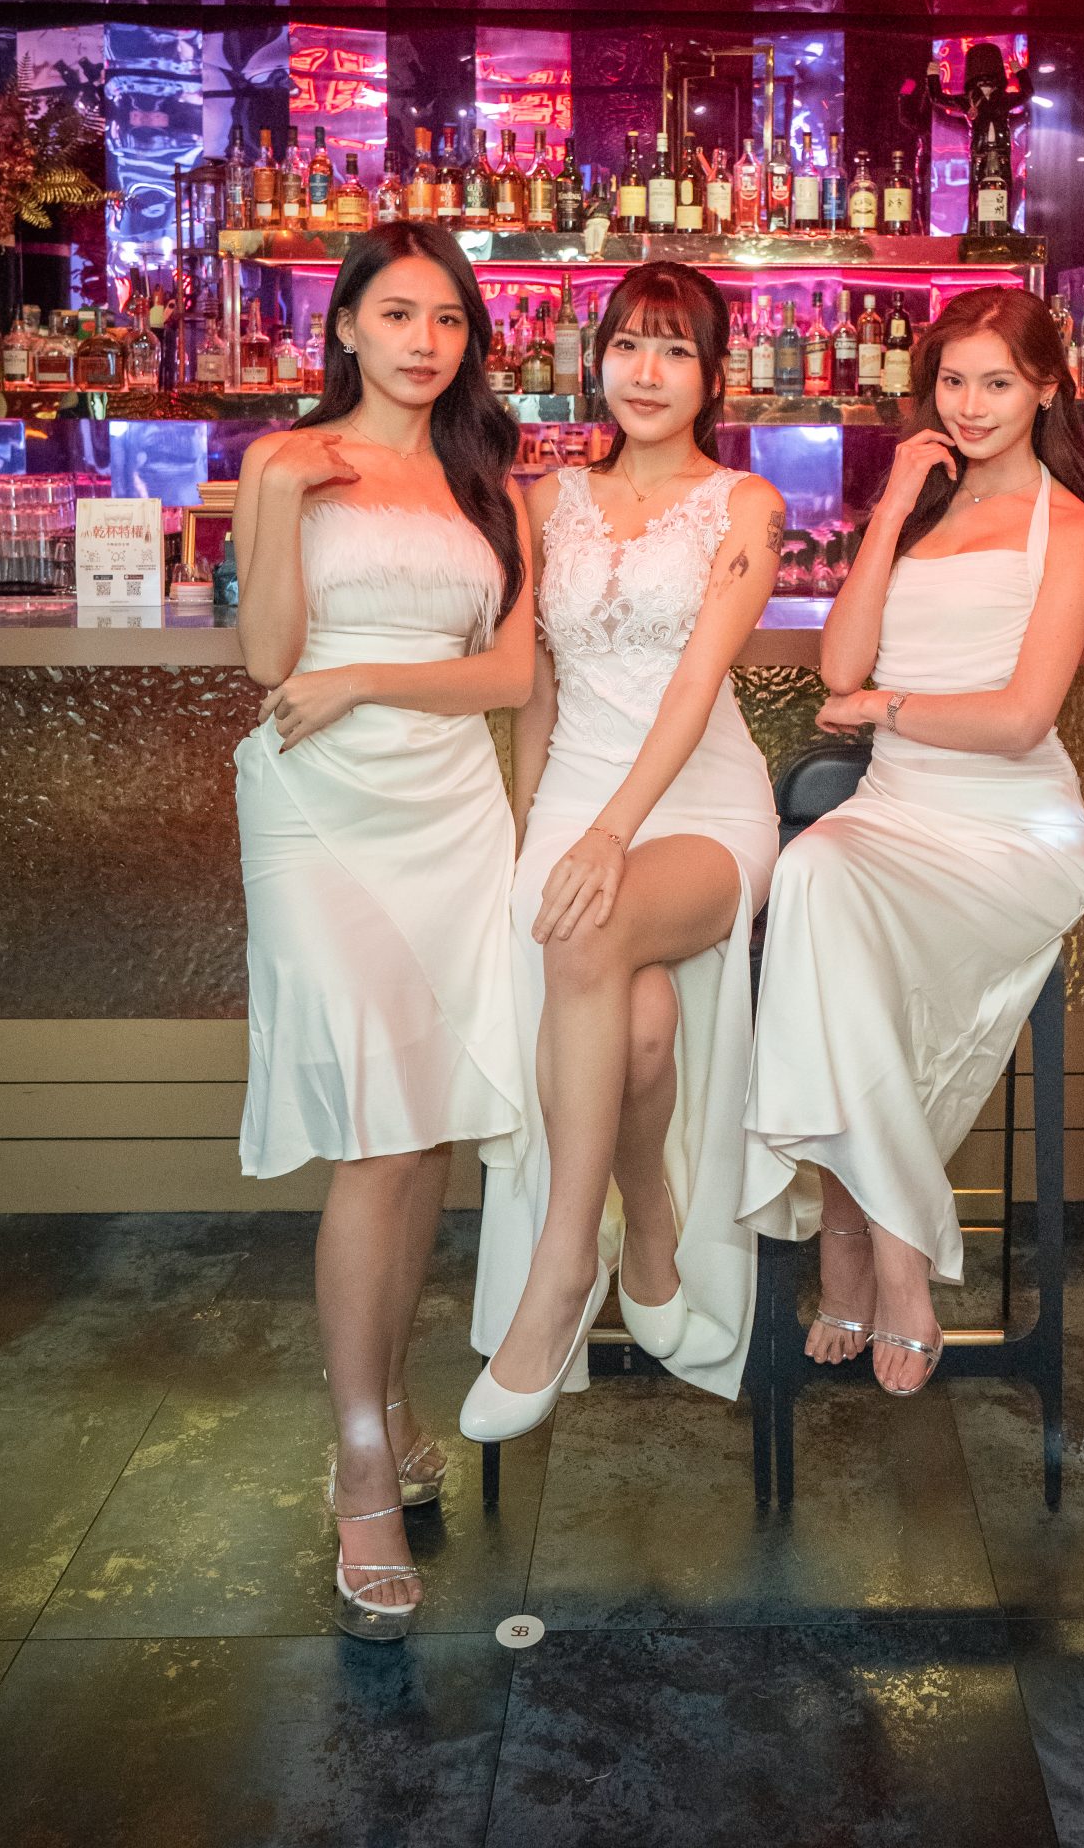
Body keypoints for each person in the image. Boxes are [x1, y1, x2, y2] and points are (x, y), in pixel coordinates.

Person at [233, 219, 535, 1640]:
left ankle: (396, 1405)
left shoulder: (489, 482)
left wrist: (368, 683)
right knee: (372, 1120)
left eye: (450, 321)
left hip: (450, 812)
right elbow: (268, 660)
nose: (426, 342)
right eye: (399, 314)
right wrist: (282, 498)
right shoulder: (282, 462)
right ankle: (361, 1458)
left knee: (422, 1125)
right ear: (344, 322)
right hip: (317, 811)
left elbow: (506, 671)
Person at [741, 285, 1084, 1394]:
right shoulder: (925, 510)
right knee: (811, 875)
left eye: (999, 380)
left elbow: (1020, 719)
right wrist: (894, 502)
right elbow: (839, 665)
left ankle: (866, 1255)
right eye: (954, 380)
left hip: (1010, 831)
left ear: (1047, 387)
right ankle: (888, 1254)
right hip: (895, 814)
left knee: (822, 906)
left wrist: (888, 711)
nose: (974, 402)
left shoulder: (1075, 528)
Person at [463, 261, 782, 1439]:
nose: (646, 373)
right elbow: (537, 691)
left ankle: (558, 1277)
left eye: (676, 350)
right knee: (636, 1018)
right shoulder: (544, 502)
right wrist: (532, 822)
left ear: (712, 374)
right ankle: (646, 1222)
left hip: (699, 802)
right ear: (594, 359)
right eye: (627, 347)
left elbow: (696, 689)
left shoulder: (746, 505)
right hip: (575, 795)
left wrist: (609, 833)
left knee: (590, 922)